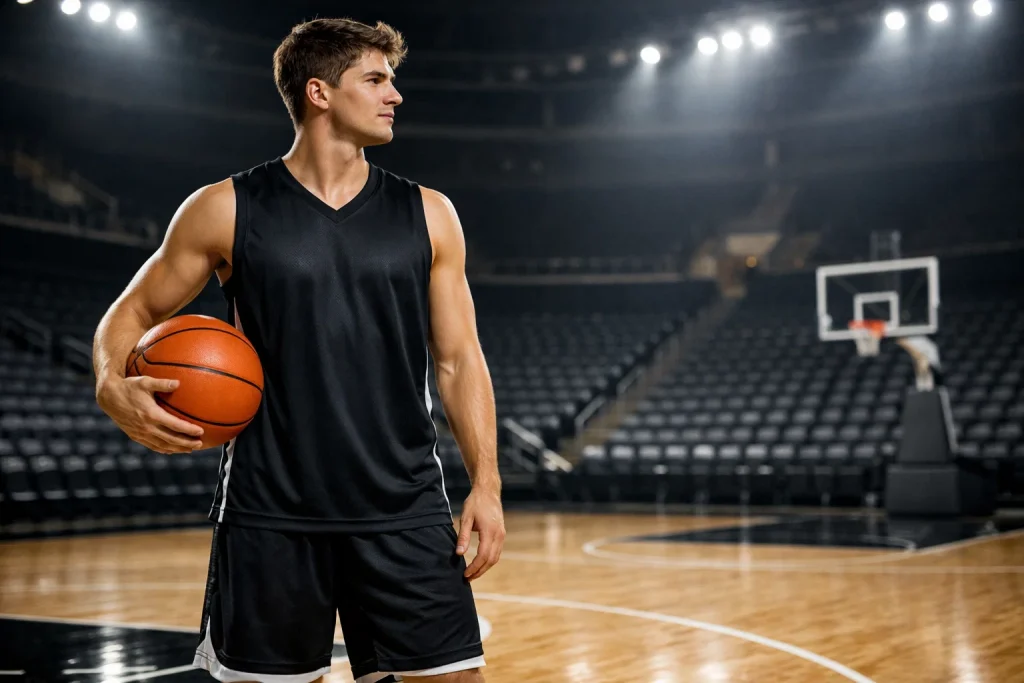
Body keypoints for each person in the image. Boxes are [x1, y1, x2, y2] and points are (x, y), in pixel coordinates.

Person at [92, 17, 504, 683]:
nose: (395, 94)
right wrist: (111, 382)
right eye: (375, 79)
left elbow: (459, 360)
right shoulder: (225, 207)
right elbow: (132, 310)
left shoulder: (429, 213)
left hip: (402, 506)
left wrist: (486, 484)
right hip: (269, 510)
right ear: (319, 92)